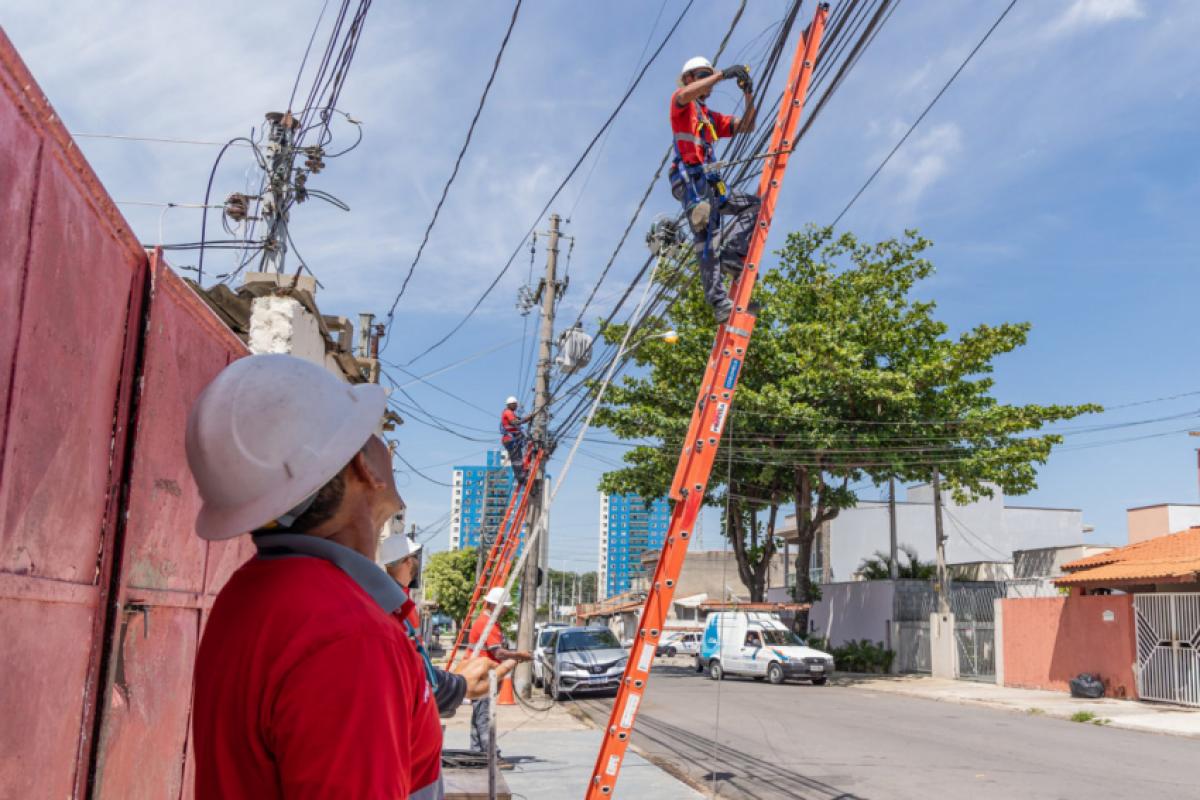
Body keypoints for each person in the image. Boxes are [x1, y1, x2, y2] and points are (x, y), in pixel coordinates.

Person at [187, 354, 512, 799]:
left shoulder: (253, 593)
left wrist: (452, 685)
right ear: (365, 467)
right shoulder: (350, 635)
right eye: (373, 434)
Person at [669, 56, 759, 324]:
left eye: (707, 76)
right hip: (690, 181)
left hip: (710, 181)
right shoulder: (681, 103)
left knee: (753, 205)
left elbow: (747, 126)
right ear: (688, 78)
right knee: (708, 238)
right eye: (701, 76)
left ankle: (733, 254)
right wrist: (721, 74)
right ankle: (719, 302)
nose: (706, 81)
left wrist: (747, 93)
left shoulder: (708, 116)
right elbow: (685, 95)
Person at [468, 587, 532, 756]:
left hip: (479, 675)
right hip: (482, 677)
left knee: (478, 717)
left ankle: (477, 753)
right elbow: (498, 652)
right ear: (492, 605)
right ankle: (491, 754)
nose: (505, 610)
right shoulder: (487, 624)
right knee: (484, 717)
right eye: (503, 606)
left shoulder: (486, 621)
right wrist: (520, 655)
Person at [499, 396, 531, 483]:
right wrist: (526, 419)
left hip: (512, 439)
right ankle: (521, 477)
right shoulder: (508, 412)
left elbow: (517, 420)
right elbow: (515, 422)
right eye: (515, 405)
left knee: (518, 458)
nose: (516, 406)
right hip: (510, 439)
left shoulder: (509, 413)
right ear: (511, 404)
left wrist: (527, 418)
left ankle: (522, 474)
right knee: (516, 460)